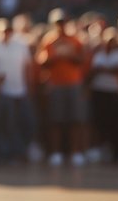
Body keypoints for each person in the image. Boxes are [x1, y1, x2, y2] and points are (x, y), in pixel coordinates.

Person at [37, 9, 88, 167]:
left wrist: (70, 55)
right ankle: (56, 152)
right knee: (56, 119)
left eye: (63, 22)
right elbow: (42, 61)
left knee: (75, 119)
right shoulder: (49, 40)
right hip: (56, 83)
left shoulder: (74, 40)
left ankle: (75, 152)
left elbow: (82, 59)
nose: (61, 25)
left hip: (73, 83)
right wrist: (55, 55)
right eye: (58, 23)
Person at [0, 19, 34, 163]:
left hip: (19, 91)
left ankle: (17, 152)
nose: (6, 34)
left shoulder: (21, 45)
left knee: (19, 124)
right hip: (1, 91)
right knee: (2, 125)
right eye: (3, 31)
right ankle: (2, 153)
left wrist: (28, 87)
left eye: (8, 31)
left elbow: (27, 67)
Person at [88, 27, 118, 164]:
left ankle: (116, 151)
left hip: (113, 92)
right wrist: (109, 69)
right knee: (100, 121)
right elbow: (94, 70)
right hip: (99, 92)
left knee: (116, 122)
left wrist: (104, 69)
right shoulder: (98, 54)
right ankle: (99, 148)